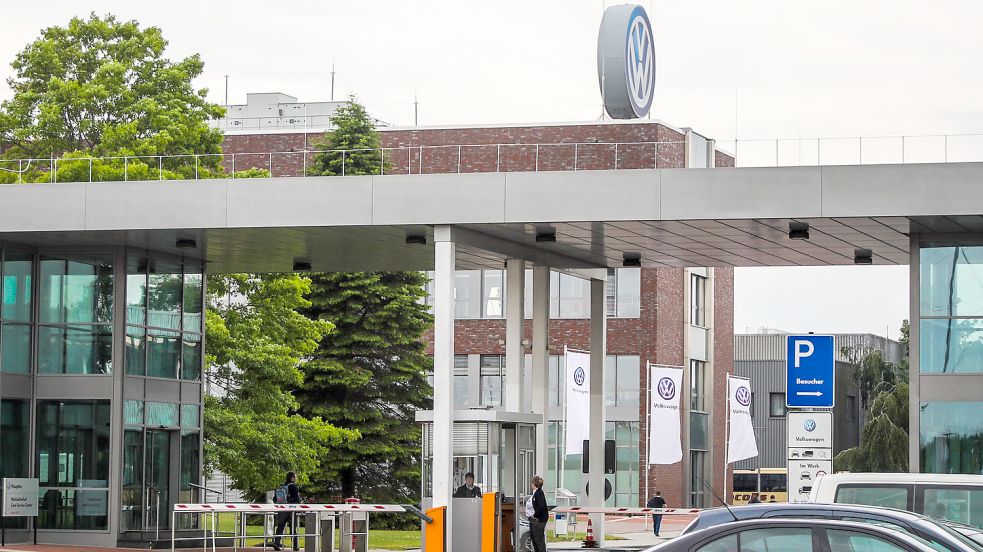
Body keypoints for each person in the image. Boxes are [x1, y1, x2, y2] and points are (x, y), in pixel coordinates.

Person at [272, 471, 301, 551]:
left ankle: (276, 543)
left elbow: (275, 499)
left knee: (280, 527)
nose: (296, 479)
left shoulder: (282, 487)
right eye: (295, 477)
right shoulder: (294, 487)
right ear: (292, 478)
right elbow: (296, 500)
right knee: (293, 528)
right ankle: (295, 546)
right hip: (291, 510)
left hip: (282, 509)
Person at [527, 475, 548, 552]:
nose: (531, 485)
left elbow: (541, 506)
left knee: (539, 539)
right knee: (534, 538)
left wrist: (535, 515)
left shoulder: (539, 493)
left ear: (534, 484)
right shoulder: (536, 493)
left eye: (531, 483)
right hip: (536, 519)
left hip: (539, 519)